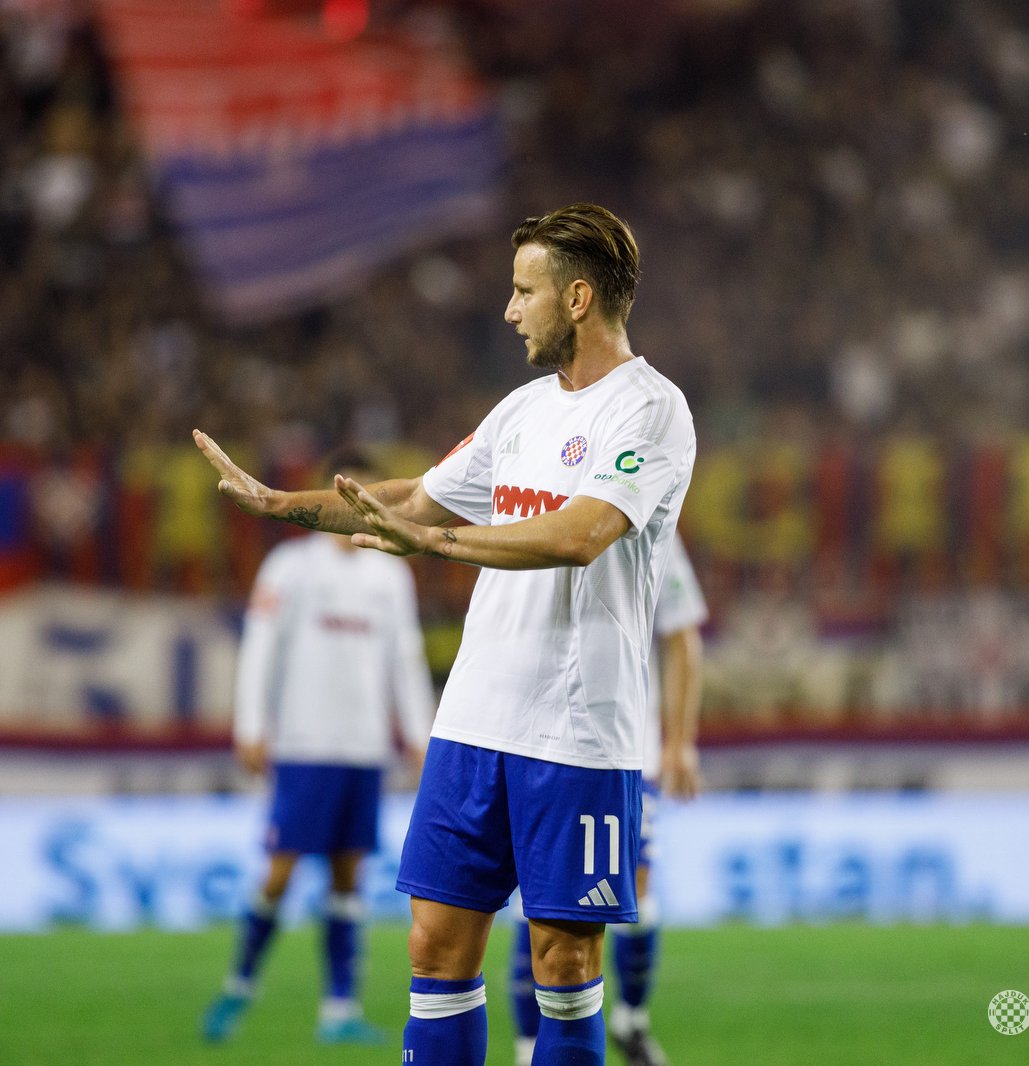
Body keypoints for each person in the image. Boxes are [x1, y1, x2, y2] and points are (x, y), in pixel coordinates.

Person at [195, 202, 695, 1066]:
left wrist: (433, 545)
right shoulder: (521, 412)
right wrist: (283, 507)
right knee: (434, 948)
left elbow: (580, 534)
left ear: (577, 299)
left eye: (522, 291)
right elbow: (415, 500)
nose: (509, 310)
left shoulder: (651, 411)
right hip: (471, 724)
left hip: (576, 733)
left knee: (563, 962)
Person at [202, 451, 435, 1046]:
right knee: (279, 875)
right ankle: (238, 988)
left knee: (347, 878)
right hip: (303, 742)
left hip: (362, 748)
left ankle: (339, 1011)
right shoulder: (290, 566)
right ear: (334, 494)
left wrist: (420, 737)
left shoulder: (390, 571)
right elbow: (260, 648)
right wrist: (251, 726)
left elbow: (404, 661)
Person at [511, 538, 707, 1066]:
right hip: (536, 742)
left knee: (633, 892)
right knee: (534, 902)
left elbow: (682, 633)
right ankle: (528, 1047)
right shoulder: (535, 508)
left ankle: (631, 1018)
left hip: (623, 751)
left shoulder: (649, 515)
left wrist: (679, 741)